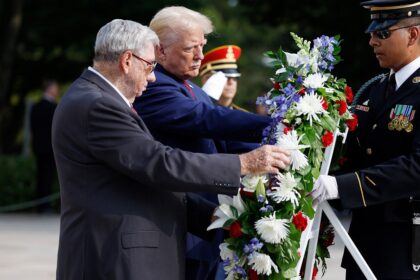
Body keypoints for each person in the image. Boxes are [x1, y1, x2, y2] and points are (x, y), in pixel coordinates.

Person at [52, 19, 291, 280]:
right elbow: (159, 163)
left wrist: (213, 216)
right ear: (127, 60)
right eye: (150, 65)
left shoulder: (98, 98)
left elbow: (144, 178)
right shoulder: (97, 104)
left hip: (125, 255)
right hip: (114, 259)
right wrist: (243, 164)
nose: (153, 75)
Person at [133, 7, 272, 279]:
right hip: (181, 222)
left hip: (207, 219)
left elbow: (225, 140)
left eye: (202, 47)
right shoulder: (154, 85)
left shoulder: (189, 86)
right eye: (190, 49)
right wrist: (274, 125)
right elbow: (206, 119)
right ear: (160, 51)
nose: (200, 56)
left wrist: (280, 152)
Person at [311, 1, 420, 279]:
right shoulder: (377, 88)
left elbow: (416, 168)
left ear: (413, 35)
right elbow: (359, 155)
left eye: (382, 34)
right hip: (366, 242)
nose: (372, 41)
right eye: (372, 33)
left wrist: (340, 186)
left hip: (407, 247)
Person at [30, 79, 59, 213]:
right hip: (50, 147)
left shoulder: (36, 106)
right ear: (50, 89)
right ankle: (45, 205)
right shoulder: (53, 108)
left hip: (38, 147)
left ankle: (39, 204)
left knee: (40, 176)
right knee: (47, 176)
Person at [199, 45, 245, 110]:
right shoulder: (196, 112)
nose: (231, 82)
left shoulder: (244, 116)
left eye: (234, 78)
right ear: (206, 80)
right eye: (225, 77)